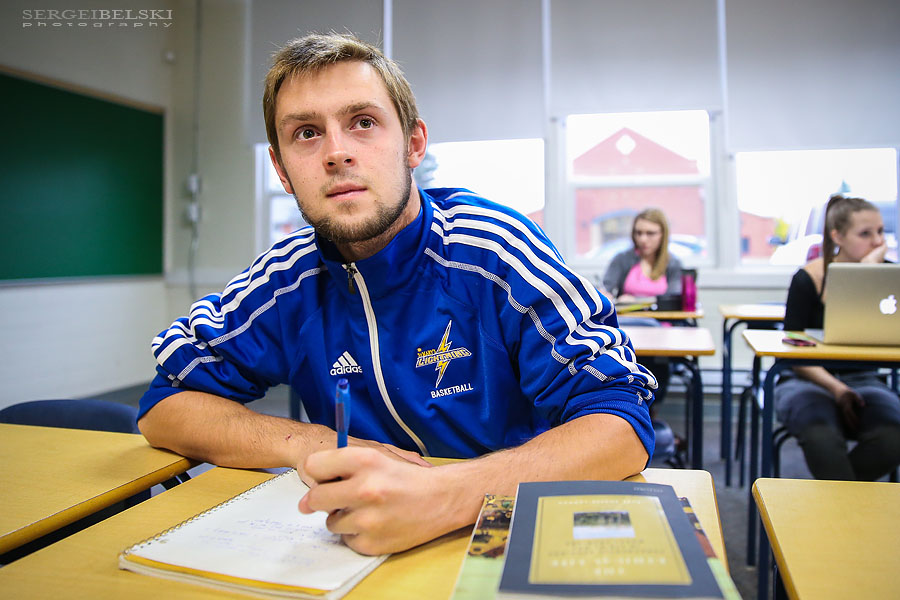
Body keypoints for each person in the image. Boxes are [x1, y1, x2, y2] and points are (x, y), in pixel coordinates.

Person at [137, 32, 655, 555]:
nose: (337, 153)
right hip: (362, 546)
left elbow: (620, 423)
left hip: (508, 522)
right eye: (307, 133)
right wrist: (315, 444)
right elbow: (165, 405)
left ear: (413, 144)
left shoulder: (495, 250)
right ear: (282, 170)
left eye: (363, 123)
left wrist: (447, 495)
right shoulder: (286, 279)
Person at [775, 194, 900, 480]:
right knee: (822, 436)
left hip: (866, 381)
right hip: (806, 380)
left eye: (881, 232)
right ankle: (843, 515)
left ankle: (836, 507)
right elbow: (791, 353)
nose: (878, 242)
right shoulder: (808, 278)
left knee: (893, 436)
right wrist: (837, 389)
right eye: (865, 234)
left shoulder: (891, 275)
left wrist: (868, 274)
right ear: (837, 236)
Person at [602, 208, 683, 409]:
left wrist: (636, 300)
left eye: (650, 233)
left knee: (655, 367)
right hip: (627, 330)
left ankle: (649, 411)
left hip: (660, 332)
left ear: (662, 235)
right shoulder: (622, 259)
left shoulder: (672, 263)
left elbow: (673, 299)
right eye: (638, 233)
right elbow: (607, 291)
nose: (643, 239)